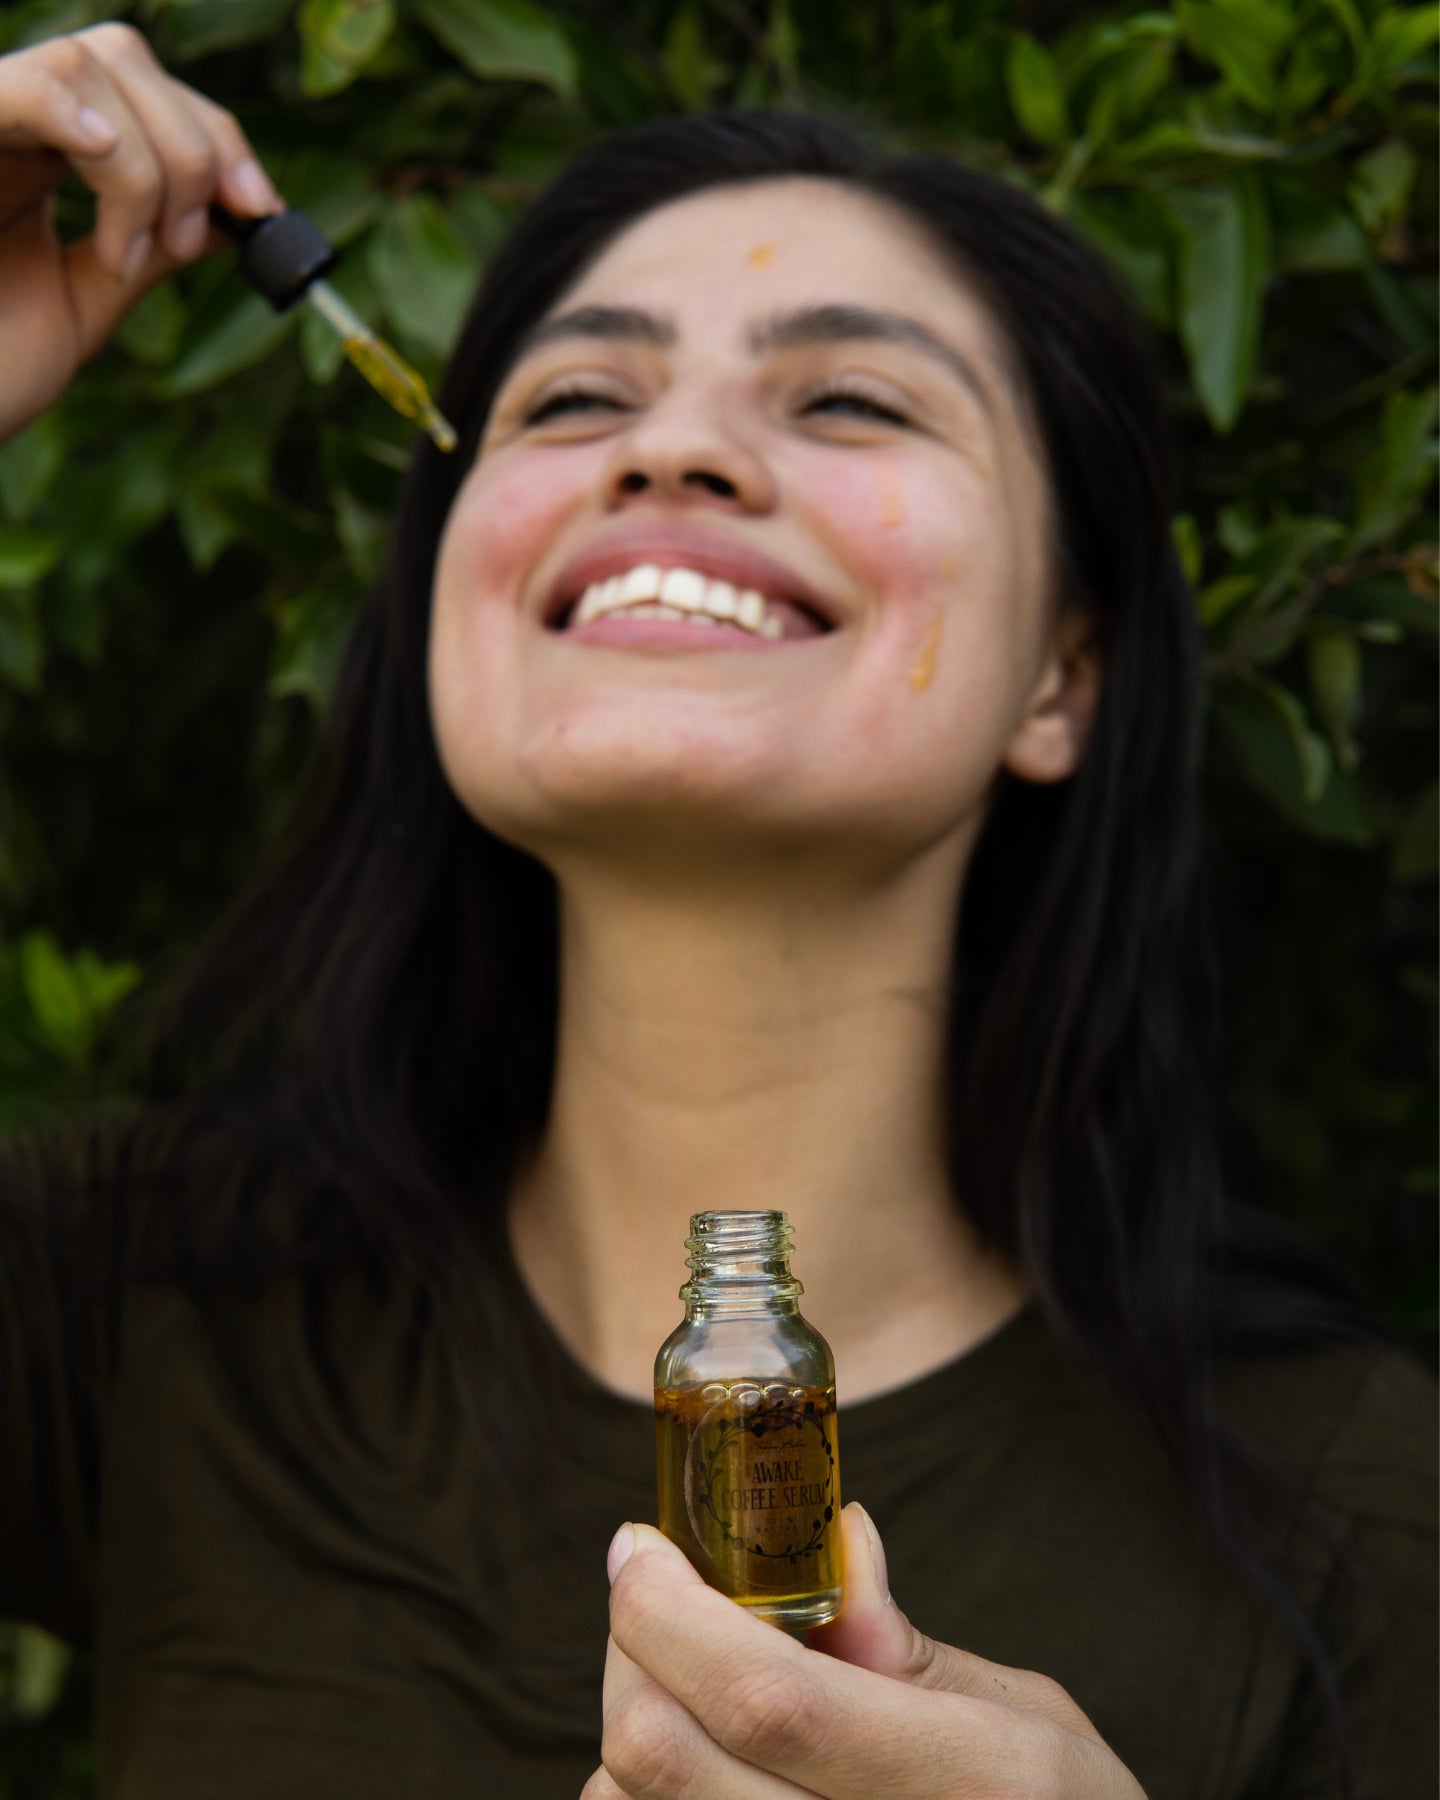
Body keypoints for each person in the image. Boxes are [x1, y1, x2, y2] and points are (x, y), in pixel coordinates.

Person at [0, 24, 1434, 1800]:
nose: (671, 448)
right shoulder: (138, 1308)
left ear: (1067, 673)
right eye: (572, 399)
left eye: (851, 399)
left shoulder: (1363, 1513)